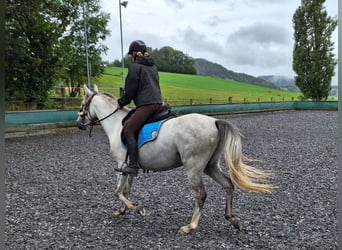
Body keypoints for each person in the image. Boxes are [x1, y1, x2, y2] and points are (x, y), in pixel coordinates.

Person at [116, 40, 163, 177]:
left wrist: (121, 102)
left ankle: (133, 166)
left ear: (135, 54)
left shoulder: (135, 67)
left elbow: (130, 91)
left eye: (131, 54)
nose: (131, 57)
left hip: (146, 104)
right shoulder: (153, 66)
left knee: (129, 129)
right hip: (158, 103)